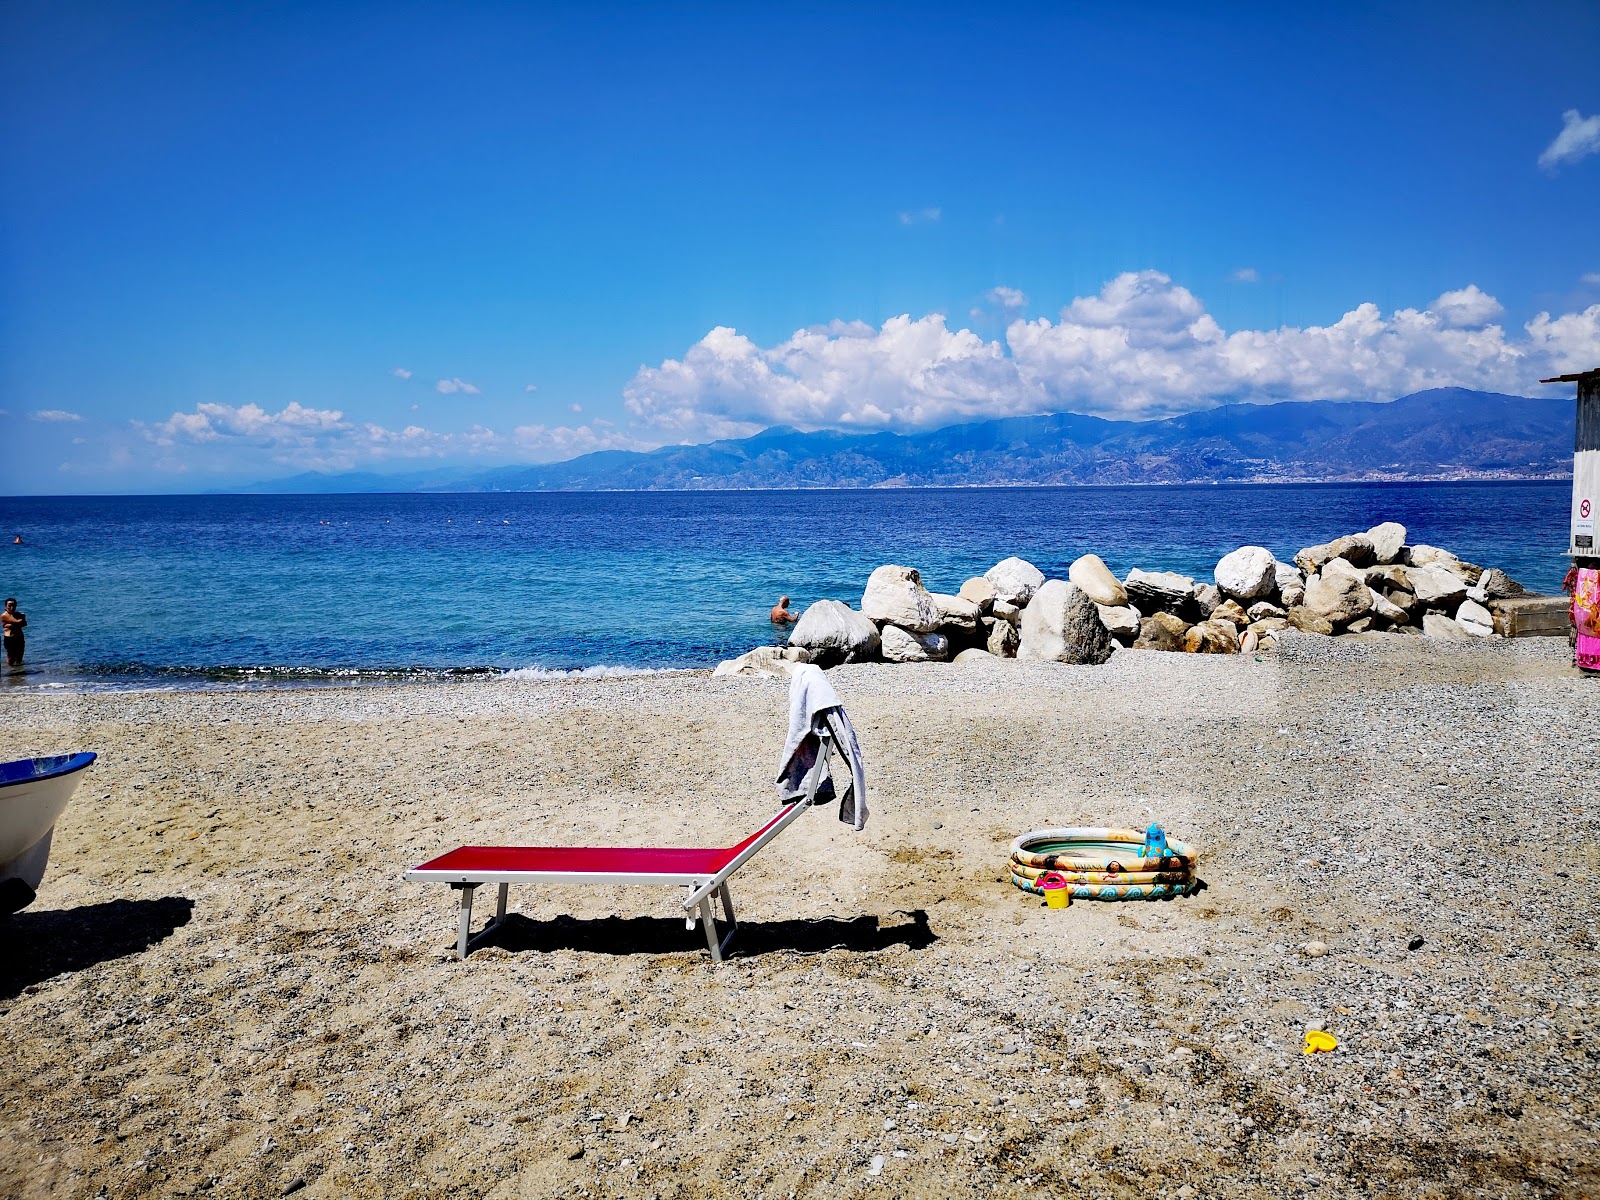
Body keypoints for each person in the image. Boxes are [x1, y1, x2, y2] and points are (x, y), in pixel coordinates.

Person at [1567, 560, 1599, 675]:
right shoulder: (1596, 582)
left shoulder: (1584, 582)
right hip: (1594, 618)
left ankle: (1585, 663)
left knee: (1585, 638)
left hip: (1583, 615)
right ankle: (1595, 665)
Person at [1, 598, 24, 668]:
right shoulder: (4, 615)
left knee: (19, 657)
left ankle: (19, 674)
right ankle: (11, 673)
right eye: (9, 605)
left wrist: (12, 625)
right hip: (10, 638)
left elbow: (25, 624)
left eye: (14, 605)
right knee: (11, 658)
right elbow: (18, 622)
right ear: (5, 606)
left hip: (19, 637)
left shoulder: (17, 614)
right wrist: (22, 617)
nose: (12, 607)